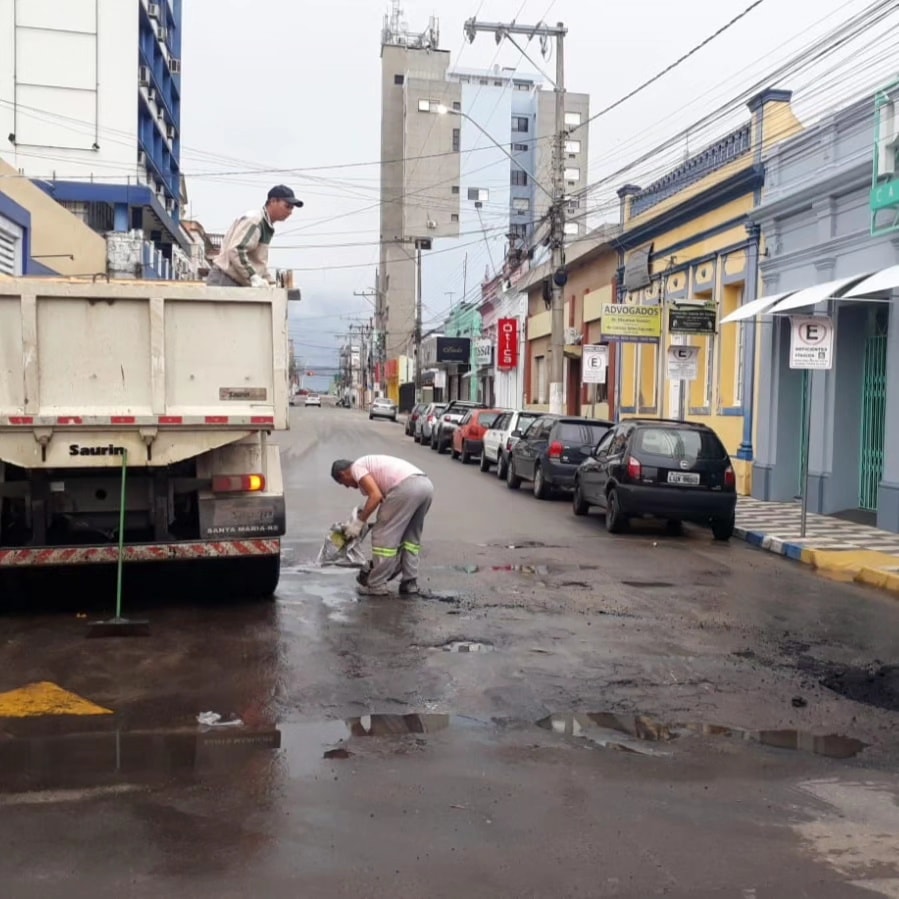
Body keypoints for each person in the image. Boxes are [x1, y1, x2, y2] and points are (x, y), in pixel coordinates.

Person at [330, 455, 434, 597]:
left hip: (406, 487)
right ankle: (409, 583)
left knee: (382, 537)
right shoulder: (370, 465)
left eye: (344, 483)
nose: (348, 487)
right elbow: (383, 498)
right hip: (425, 486)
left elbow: (375, 496)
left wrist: (358, 524)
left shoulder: (356, 468)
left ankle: (377, 585)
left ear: (343, 474)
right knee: (411, 539)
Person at [207, 185, 303, 287]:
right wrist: (253, 276)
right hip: (226, 279)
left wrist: (272, 283)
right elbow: (236, 250)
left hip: (237, 281)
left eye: (292, 209)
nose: (290, 212)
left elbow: (258, 263)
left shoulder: (266, 224)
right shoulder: (255, 220)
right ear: (273, 201)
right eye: (287, 206)